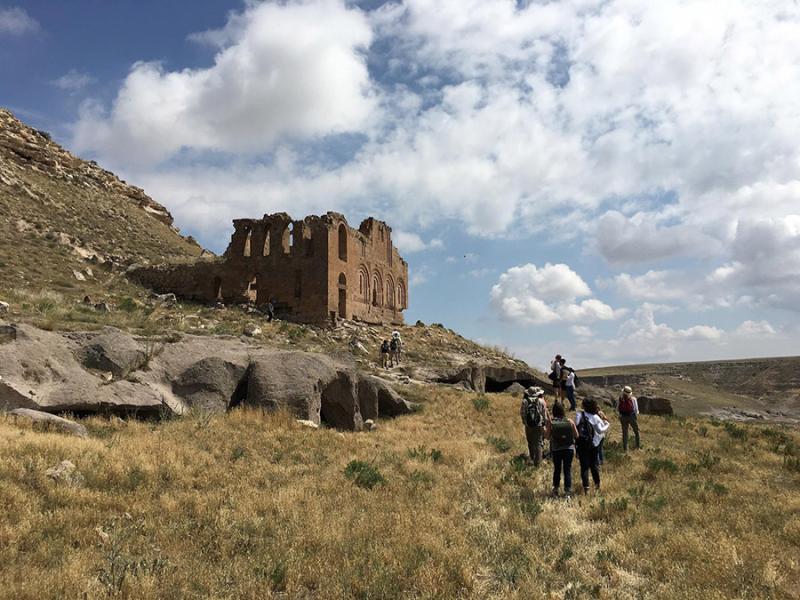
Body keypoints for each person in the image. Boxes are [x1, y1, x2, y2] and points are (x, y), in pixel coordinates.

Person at [575, 398, 610, 494]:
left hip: (581, 444)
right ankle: (597, 485)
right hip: (593, 445)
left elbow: (576, 426)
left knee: (584, 467)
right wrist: (607, 424)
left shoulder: (579, 414)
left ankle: (586, 488)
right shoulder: (595, 417)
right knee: (594, 465)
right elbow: (600, 430)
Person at [546, 401, 578, 497]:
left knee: (557, 469)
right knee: (567, 470)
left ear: (554, 411)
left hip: (556, 449)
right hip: (569, 448)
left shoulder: (551, 422)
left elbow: (547, 437)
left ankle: (555, 489)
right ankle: (567, 492)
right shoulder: (570, 421)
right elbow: (577, 435)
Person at [520, 386, 549, 467]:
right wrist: (544, 424)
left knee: (530, 442)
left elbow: (522, 413)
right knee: (538, 443)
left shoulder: (525, 401)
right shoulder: (541, 401)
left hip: (528, 426)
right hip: (539, 425)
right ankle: (538, 463)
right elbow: (544, 414)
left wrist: (525, 422)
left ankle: (532, 458)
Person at [616, 385, 641, 451]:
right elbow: (636, 410)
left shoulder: (620, 399)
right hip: (631, 416)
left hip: (623, 417)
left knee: (625, 433)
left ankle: (625, 449)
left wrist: (620, 415)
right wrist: (635, 416)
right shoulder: (633, 399)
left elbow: (617, 408)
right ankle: (638, 447)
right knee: (636, 431)